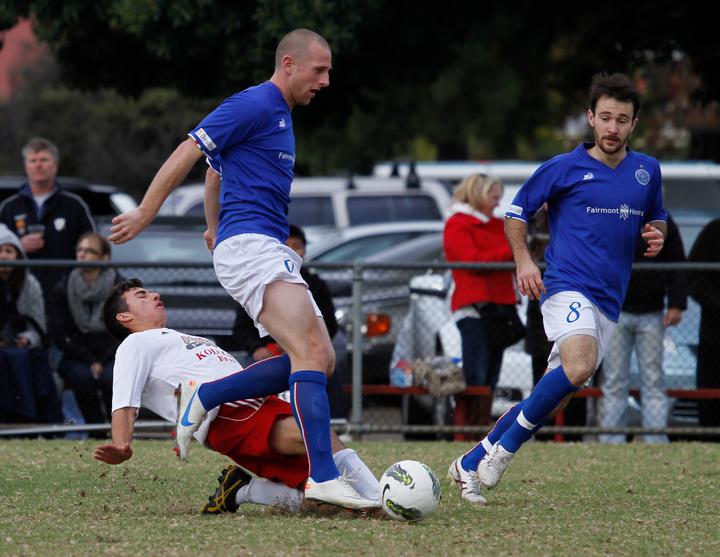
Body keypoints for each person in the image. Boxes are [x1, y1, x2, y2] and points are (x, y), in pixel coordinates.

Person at [105, 29, 370, 509]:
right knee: (311, 352)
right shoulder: (255, 103)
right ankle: (323, 477)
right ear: (288, 63)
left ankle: (209, 395)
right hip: (252, 247)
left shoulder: (280, 114)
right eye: (320, 69)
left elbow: (214, 168)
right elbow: (190, 149)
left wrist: (212, 226)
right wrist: (146, 211)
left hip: (258, 245)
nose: (326, 80)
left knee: (320, 359)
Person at [448, 72, 667, 504]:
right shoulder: (564, 167)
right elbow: (516, 212)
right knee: (580, 365)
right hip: (566, 284)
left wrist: (655, 232)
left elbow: (655, 216)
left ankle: (472, 461)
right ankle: (504, 452)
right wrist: (524, 260)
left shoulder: (647, 171)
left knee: (555, 393)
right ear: (590, 118)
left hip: (609, 299)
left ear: (634, 124)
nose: (612, 128)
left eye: (622, 120)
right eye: (605, 117)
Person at [93, 279, 380, 514]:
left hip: (258, 399)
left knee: (327, 501)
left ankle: (241, 491)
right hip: (228, 416)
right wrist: (121, 443)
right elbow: (124, 401)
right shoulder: (135, 343)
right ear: (124, 316)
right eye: (141, 295)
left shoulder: (178, 337)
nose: (154, 294)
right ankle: (380, 498)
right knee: (308, 433)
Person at [220, 223, 346, 418]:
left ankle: (333, 421)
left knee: (327, 363)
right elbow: (242, 328)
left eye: (297, 246)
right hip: (266, 350)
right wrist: (258, 348)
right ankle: (248, 418)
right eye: (287, 245)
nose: (293, 251)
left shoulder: (315, 285)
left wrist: (295, 343)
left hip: (304, 346)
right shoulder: (258, 281)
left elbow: (328, 324)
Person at [599, 213, 687, 444]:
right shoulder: (615, 216)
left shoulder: (666, 222)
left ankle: (655, 440)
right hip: (616, 311)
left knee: (653, 378)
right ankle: (611, 441)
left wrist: (677, 304)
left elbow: (677, 263)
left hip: (652, 313)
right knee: (615, 379)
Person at [443, 174, 518, 439]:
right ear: (476, 193)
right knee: (476, 374)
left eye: (499, 190)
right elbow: (471, 261)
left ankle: (482, 430)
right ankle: (466, 431)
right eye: (492, 191)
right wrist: (511, 250)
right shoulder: (458, 224)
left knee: (491, 376)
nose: (498, 196)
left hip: (500, 308)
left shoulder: (499, 224)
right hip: (473, 308)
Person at [0, 138, 96, 311]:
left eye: (44, 160)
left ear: (55, 165)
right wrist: (17, 246)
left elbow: (92, 245)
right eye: (33, 160)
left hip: (66, 293)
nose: (38, 165)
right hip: (18, 292)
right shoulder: (9, 207)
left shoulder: (74, 205)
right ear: (26, 166)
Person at [49, 232, 121, 433]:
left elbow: (123, 332)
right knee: (82, 378)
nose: (82, 254)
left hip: (113, 353)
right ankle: (96, 430)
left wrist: (101, 361)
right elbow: (60, 332)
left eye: (89, 250)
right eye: (79, 250)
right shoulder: (64, 286)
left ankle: (117, 429)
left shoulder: (119, 287)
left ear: (104, 258)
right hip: (77, 354)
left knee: (111, 378)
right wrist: (90, 361)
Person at [0, 224, 61, 424]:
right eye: (0, 251)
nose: (4, 256)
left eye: (9, 250)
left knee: (26, 359)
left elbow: (39, 324)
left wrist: (27, 339)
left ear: (18, 254)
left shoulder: (30, 284)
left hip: (23, 348)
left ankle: (28, 418)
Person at [687, 218, 720, 436]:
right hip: (714, 332)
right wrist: (716, 303)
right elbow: (693, 276)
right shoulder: (713, 231)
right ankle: (708, 434)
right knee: (710, 382)